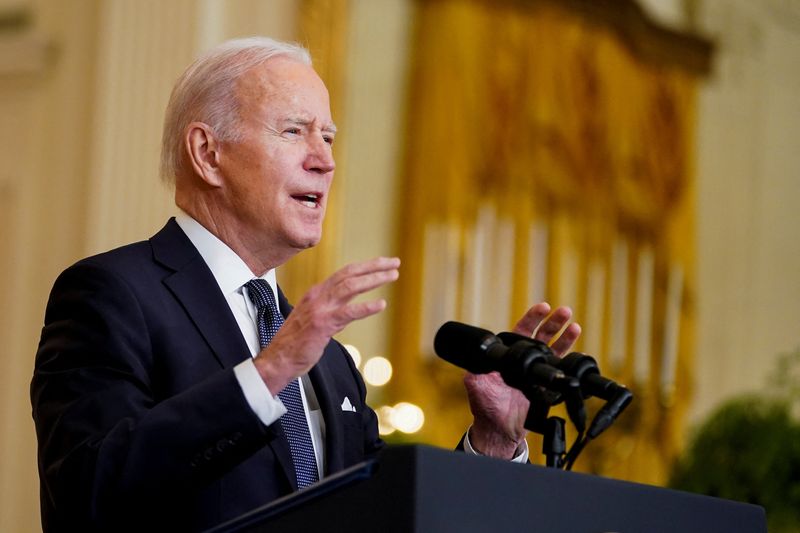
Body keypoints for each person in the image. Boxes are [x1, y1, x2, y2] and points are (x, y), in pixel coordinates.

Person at [31, 37, 580, 531]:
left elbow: (384, 518)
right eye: (294, 131)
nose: (324, 161)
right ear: (207, 154)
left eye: (329, 137)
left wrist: (491, 440)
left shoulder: (330, 362)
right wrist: (270, 371)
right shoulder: (113, 294)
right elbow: (88, 489)